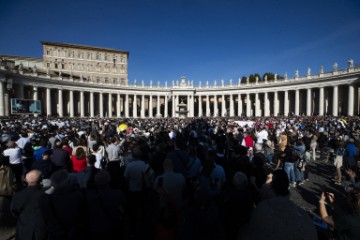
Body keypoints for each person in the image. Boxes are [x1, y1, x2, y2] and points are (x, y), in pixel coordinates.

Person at [10, 170, 47, 240]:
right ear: (41, 180)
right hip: (41, 230)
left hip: (23, 229)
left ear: (26, 180)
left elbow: (13, 211)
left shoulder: (18, 195)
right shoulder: (45, 195)